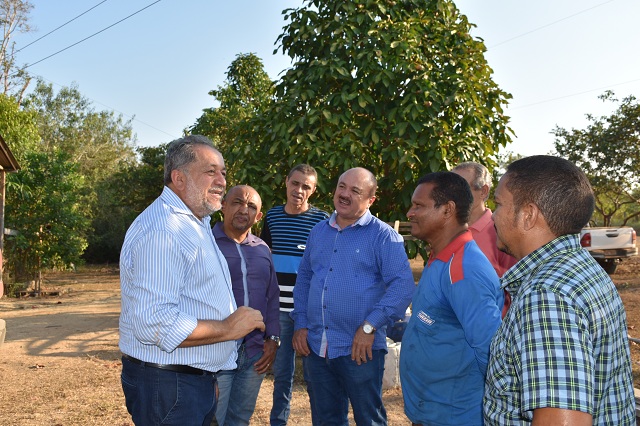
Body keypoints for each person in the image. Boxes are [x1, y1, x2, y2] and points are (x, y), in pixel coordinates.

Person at [119, 135, 265, 426]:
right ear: (179, 178)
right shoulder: (164, 229)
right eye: (211, 172)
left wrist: (205, 375)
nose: (222, 181)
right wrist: (227, 328)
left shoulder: (196, 222)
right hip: (169, 384)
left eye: (223, 172)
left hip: (186, 381)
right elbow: (154, 323)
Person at [484, 155, 636, 424]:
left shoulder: (546, 295)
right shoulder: (578, 267)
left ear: (528, 215)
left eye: (498, 204)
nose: (493, 216)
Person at [291, 167, 415, 425]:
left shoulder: (383, 236)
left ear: (370, 200)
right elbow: (304, 279)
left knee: (368, 419)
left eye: (355, 191)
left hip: (361, 350)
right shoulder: (318, 232)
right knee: (326, 420)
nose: (345, 194)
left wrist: (369, 327)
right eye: (342, 186)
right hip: (317, 347)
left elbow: (402, 287)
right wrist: (301, 323)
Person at [399, 172, 503, 425]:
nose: (410, 213)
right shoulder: (441, 257)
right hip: (431, 412)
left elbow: (491, 352)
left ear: (447, 210)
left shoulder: (464, 269)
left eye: (419, 205)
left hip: (453, 416)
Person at [260, 164, 329, 425]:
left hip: (307, 312)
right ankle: (278, 421)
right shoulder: (272, 217)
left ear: (313, 191)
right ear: (286, 182)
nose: (299, 190)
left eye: (306, 186)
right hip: (278, 309)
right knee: (282, 374)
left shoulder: (321, 220)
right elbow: (264, 259)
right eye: (295, 183)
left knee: (314, 375)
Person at [212, 185, 280, 426]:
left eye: (251, 206)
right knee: (213, 418)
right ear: (223, 206)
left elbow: (272, 297)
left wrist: (273, 339)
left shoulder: (262, 249)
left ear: (258, 216)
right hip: (216, 351)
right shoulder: (206, 244)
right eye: (237, 202)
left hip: (254, 352)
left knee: (240, 418)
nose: (244, 210)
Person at [452, 161, 517, 317]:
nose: (451, 194)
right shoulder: (447, 231)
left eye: (460, 187)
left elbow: (516, 291)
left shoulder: (501, 233)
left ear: (483, 191)